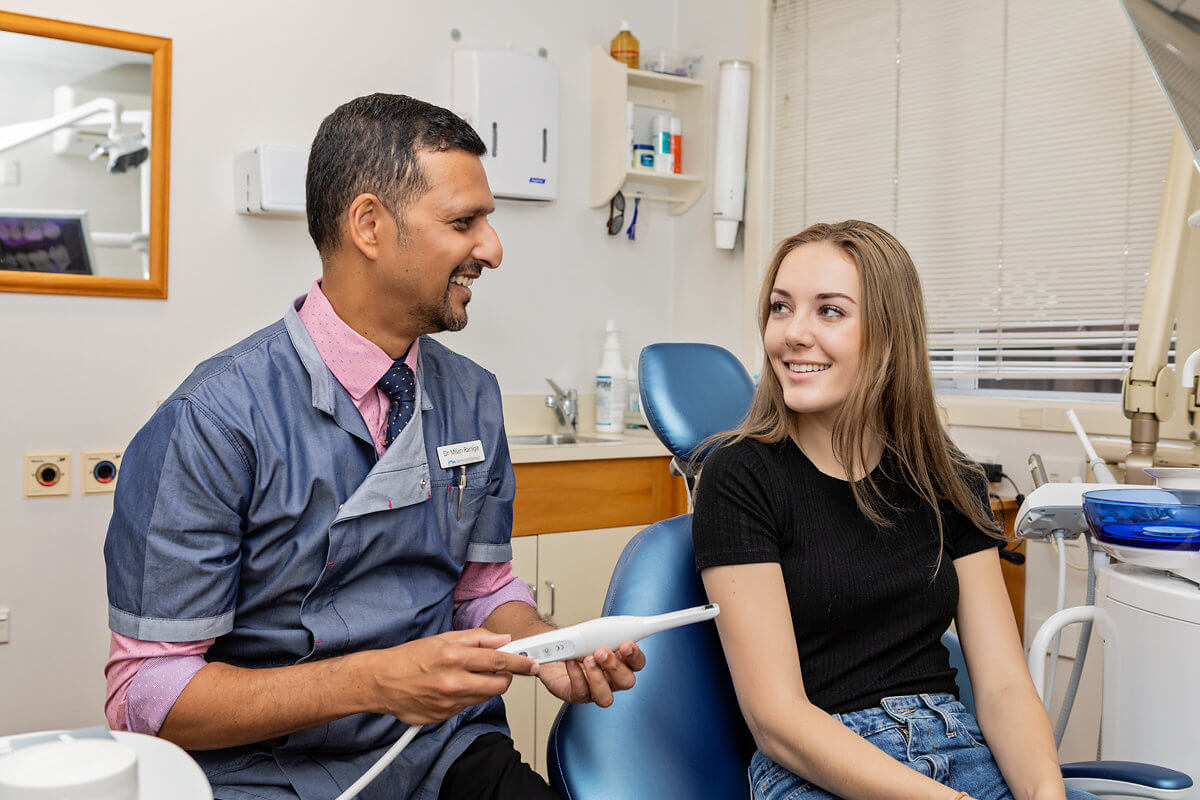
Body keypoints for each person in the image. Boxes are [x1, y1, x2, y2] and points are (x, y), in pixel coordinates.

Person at [102, 93, 645, 800]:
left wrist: (545, 645)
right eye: (464, 222)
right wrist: (373, 683)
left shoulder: (473, 397)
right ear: (368, 224)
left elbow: (482, 589)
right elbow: (146, 691)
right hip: (269, 772)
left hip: (442, 750)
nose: (493, 248)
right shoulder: (212, 420)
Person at [691, 220, 1099, 800]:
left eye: (829, 311)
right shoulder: (739, 477)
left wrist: (1045, 796)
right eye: (781, 308)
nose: (792, 334)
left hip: (958, 743)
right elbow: (777, 720)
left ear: (888, 334)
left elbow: (1005, 685)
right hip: (822, 767)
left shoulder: (949, 479)